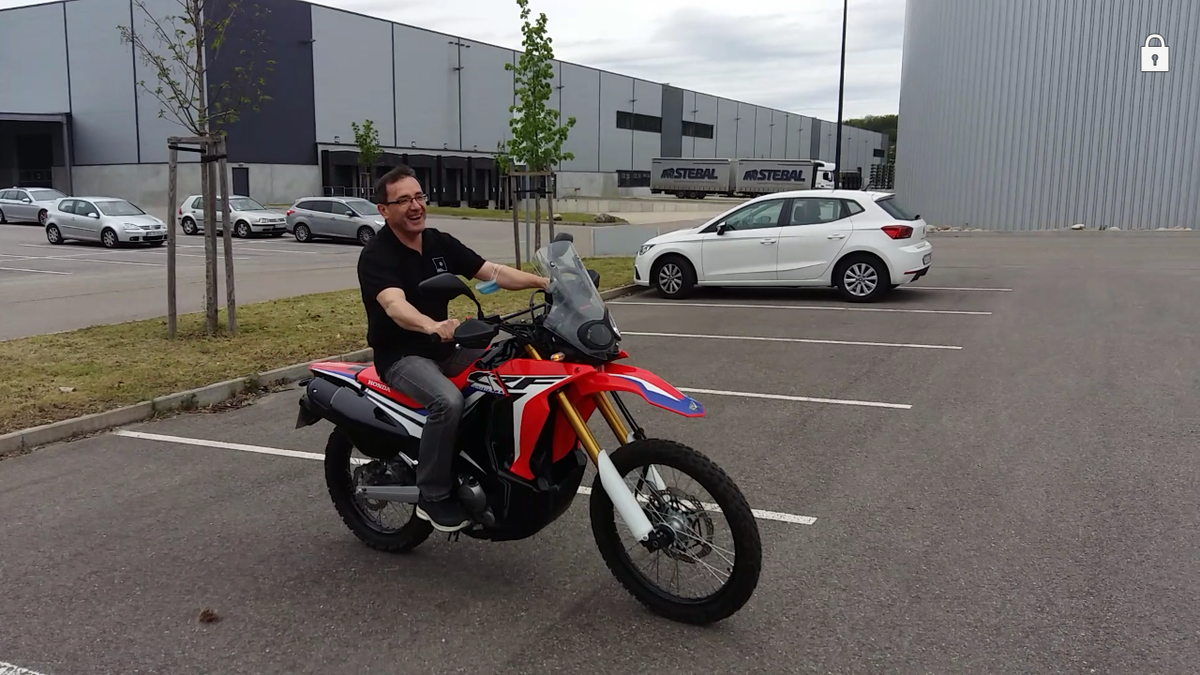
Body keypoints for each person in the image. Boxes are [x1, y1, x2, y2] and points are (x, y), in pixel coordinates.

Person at [357, 164, 550, 533]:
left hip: (447, 348)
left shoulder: (438, 242)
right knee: (448, 402)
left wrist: (546, 283)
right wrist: (431, 325)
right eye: (403, 200)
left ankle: (489, 463)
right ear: (383, 210)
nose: (415, 206)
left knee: (509, 371)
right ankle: (432, 494)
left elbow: (492, 272)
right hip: (403, 355)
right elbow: (394, 305)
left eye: (419, 197)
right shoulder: (377, 255)